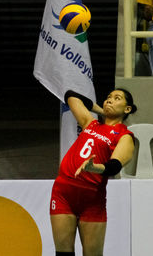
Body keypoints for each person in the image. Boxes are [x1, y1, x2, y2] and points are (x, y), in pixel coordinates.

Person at [50, 88, 137, 256]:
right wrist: (101, 110)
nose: (110, 100)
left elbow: (114, 165)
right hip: (63, 194)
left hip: (92, 200)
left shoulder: (124, 135)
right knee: (62, 253)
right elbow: (70, 95)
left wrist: (94, 168)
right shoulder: (91, 123)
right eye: (108, 97)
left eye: (117, 98)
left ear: (127, 109)